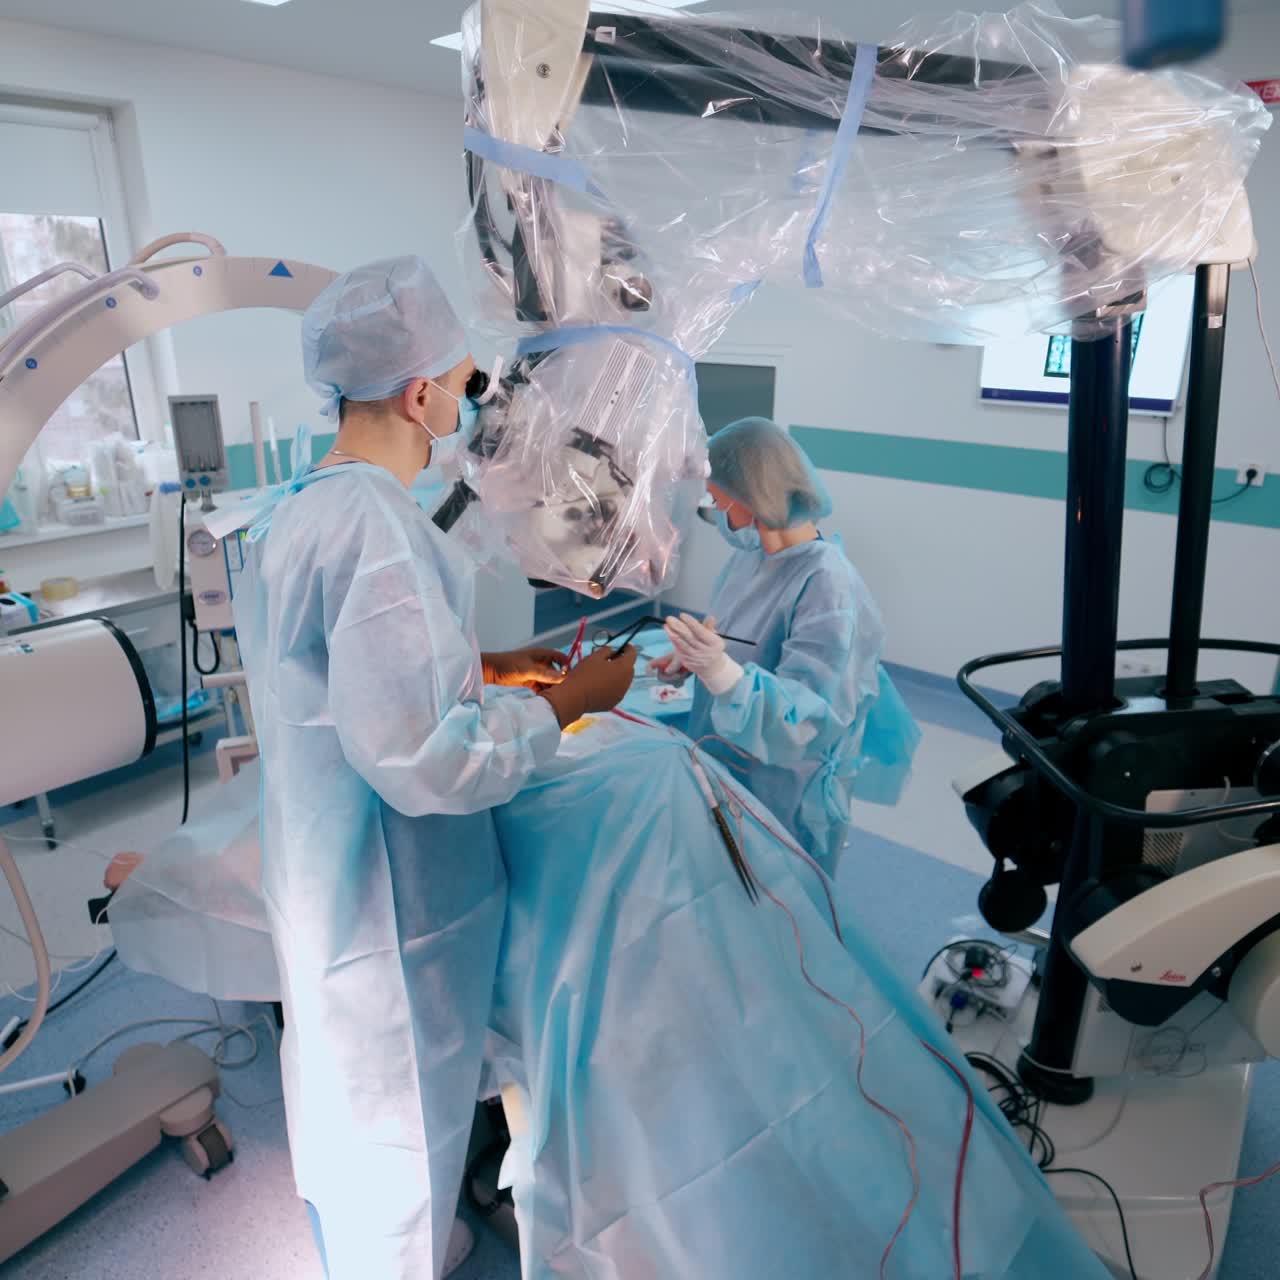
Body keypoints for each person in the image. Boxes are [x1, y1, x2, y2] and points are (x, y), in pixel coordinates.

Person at [231, 256, 636, 1280]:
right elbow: (427, 761)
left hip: (326, 875)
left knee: (348, 1096)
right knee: (397, 1112)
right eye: (463, 383)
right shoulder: (376, 528)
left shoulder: (301, 506)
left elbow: (343, 680)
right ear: (420, 394)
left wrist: (486, 665)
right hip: (389, 900)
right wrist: (566, 705)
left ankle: (395, 1243)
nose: (466, 402)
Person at [653, 416, 918, 877]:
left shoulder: (829, 588)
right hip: (728, 759)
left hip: (786, 790)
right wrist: (696, 659)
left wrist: (719, 670)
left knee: (781, 909)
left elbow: (810, 719)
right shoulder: (752, 559)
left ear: (751, 497)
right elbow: (737, 638)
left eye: (717, 501)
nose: (716, 513)